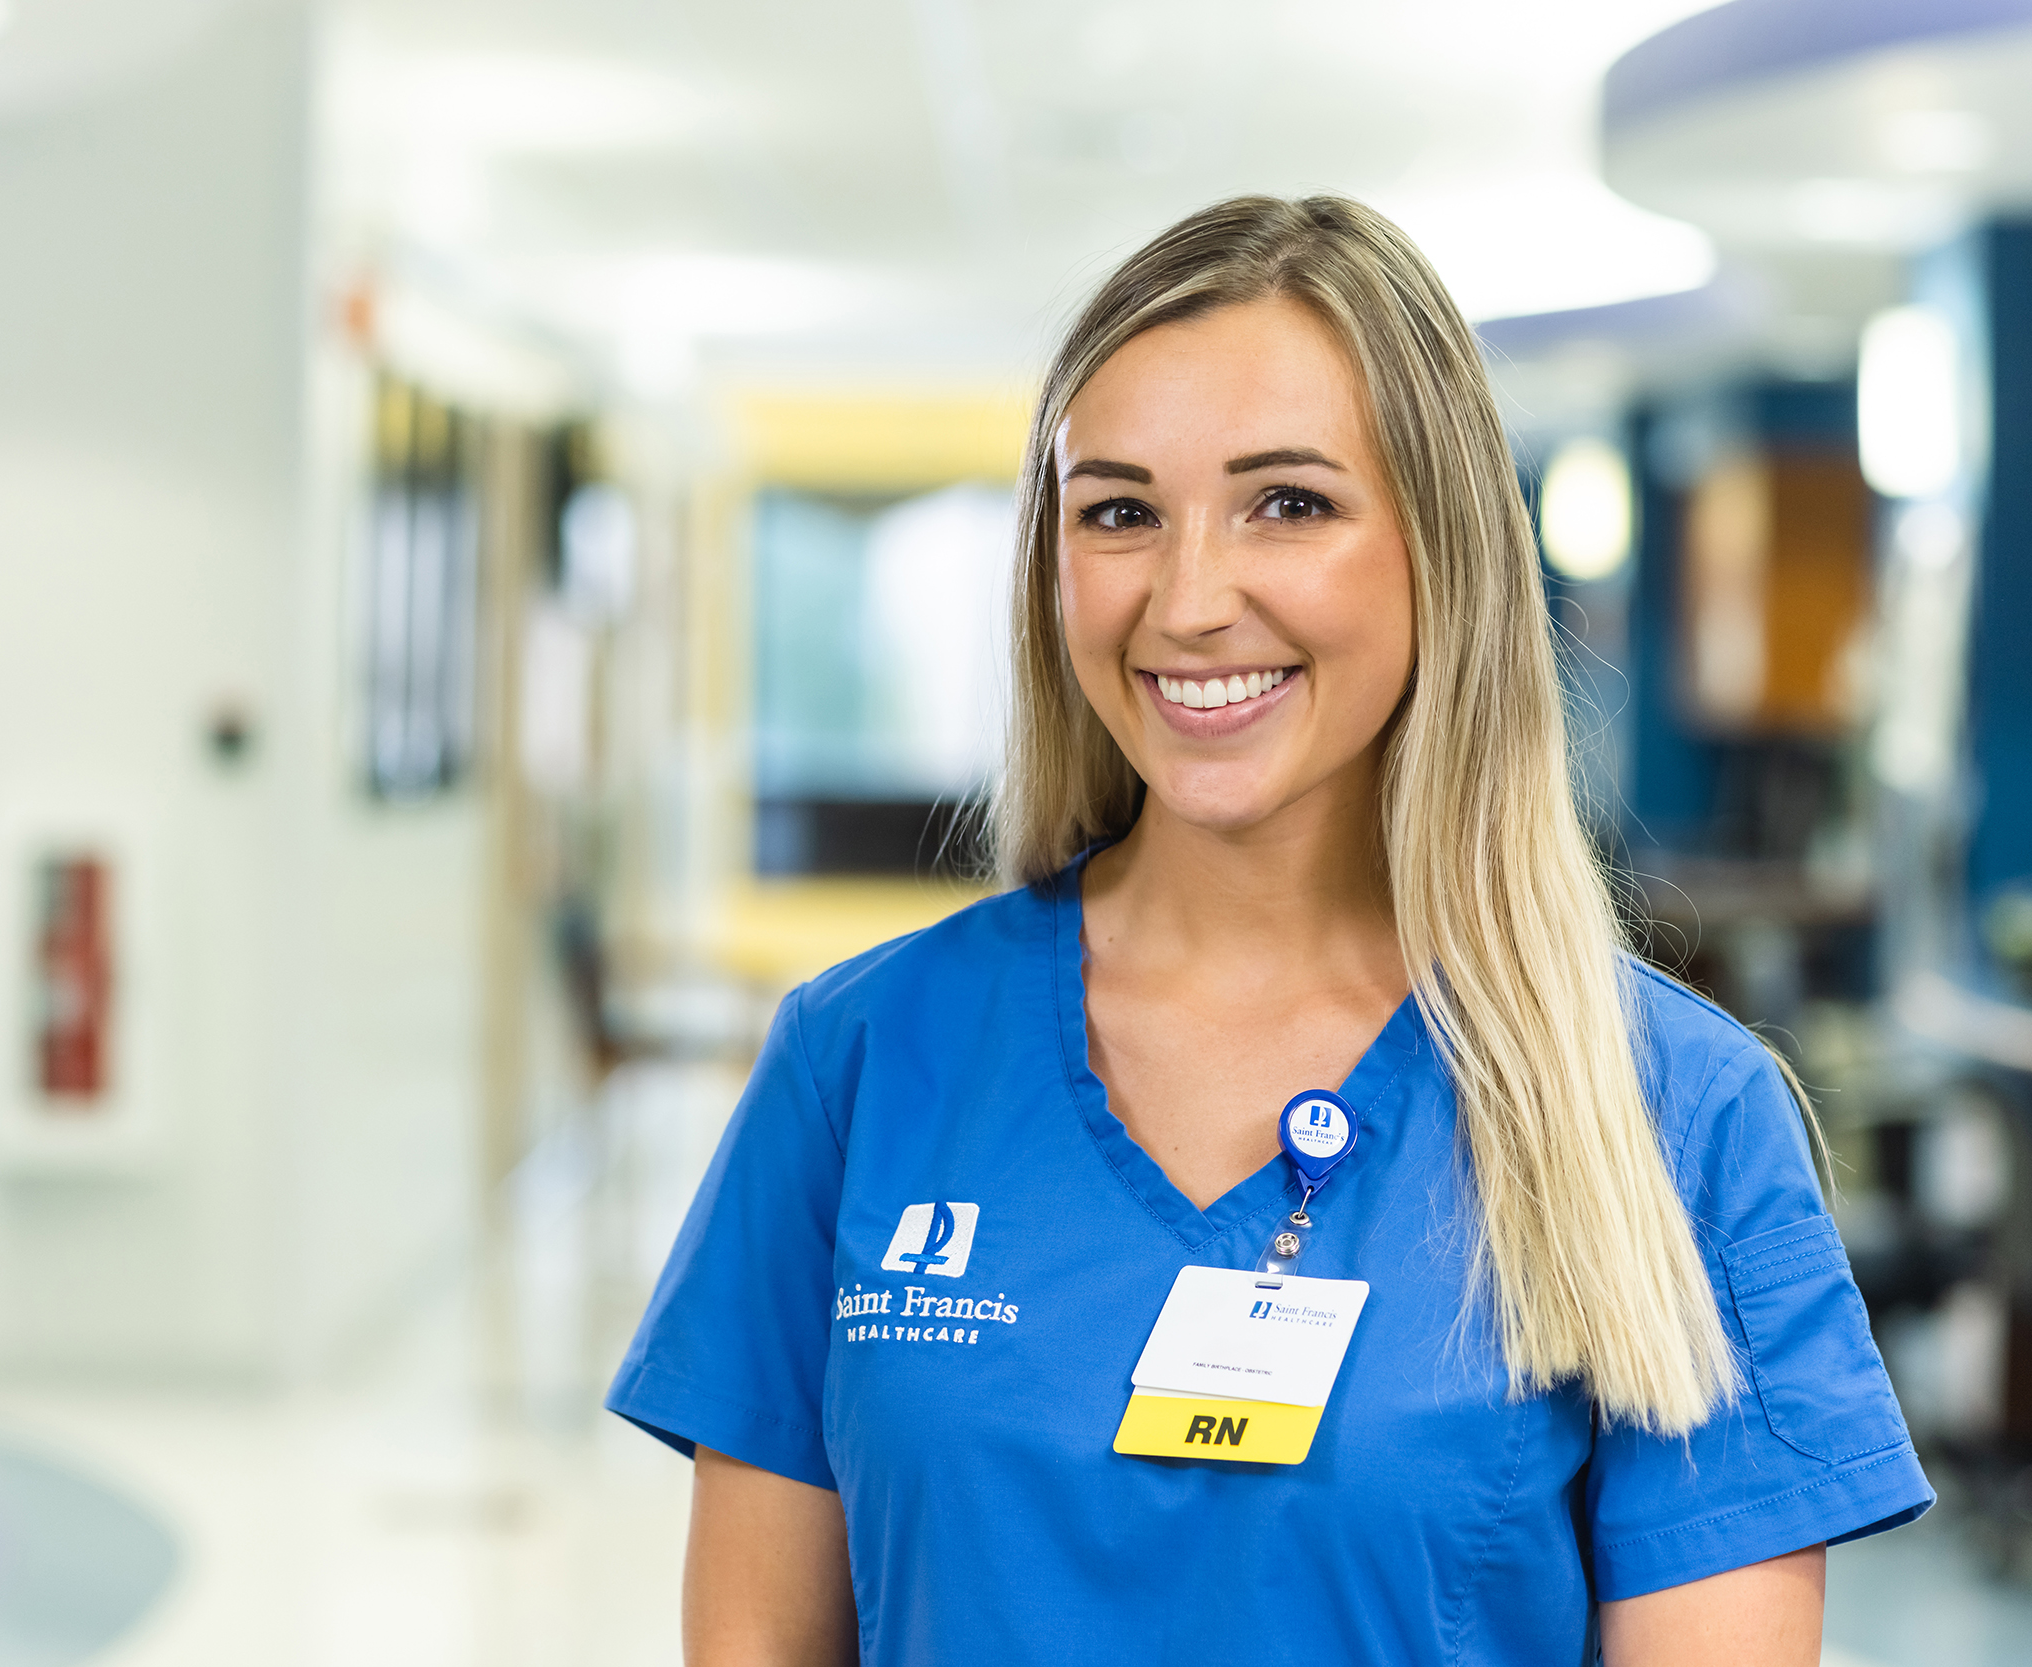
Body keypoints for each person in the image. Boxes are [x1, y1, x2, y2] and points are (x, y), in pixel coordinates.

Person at [608, 195, 1932, 1666]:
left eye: (1287, 503)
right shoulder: (861, 1066)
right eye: (1118, 512)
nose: (1188, 600)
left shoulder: (1672, 1119)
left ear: (1443, 551)